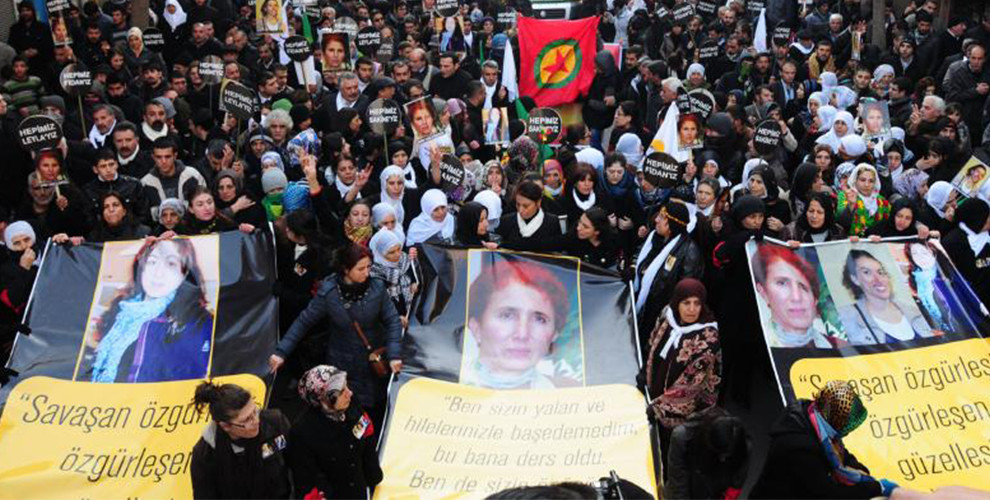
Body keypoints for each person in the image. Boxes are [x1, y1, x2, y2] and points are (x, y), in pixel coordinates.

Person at [269, 244, 402, 423]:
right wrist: (281, 351)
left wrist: (394, 354)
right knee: (351, 408)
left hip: (377, 359)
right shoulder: (329, 293)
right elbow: (304, 321)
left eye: (369, 267)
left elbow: (392, 320)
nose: (367, 272)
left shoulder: (377, 287)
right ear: (346, 269)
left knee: (380, 404)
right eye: (361, 268)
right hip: (345, 362)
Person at [89, 237, 215, 383]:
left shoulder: (196, 320)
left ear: (185, 274)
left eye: (171, 264)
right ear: (141, 267)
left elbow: (192, 376)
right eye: (152, 262)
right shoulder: (121, 310)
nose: (158, 273)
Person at [752, 380, 899, 498]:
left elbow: (841, 453)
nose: (847, 432)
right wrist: (877, 488)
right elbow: (830, 494)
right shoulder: (800, 448)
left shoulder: (817, 417)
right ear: (836, 420)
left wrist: (859, 469)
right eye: (846, 425)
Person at [461, 259, 580, 389]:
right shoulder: (446, 386)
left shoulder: (572, 393)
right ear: (476, 328)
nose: (522, 334)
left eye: (539, 319)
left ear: (554, 334)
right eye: (507, 316)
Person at [644, 278, 721, 456]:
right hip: (656, 390)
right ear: (677, 302)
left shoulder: (708, 338)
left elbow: (691, 385)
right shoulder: (668, 316)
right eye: (686, 303)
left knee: (669, 448)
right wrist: (644, 373)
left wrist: (659, 407)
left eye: (697, 303)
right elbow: (653, 341)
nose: (692, 309)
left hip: (679, 412)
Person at [289, 365, 383, 499]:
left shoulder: (351, 403)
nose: (350, 393)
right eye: (342, 391)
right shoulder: (302, 432)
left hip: (360, 488)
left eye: (346, 386)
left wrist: (373, 475)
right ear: (325, 399)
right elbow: (305, 480)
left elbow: (367, 434)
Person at [190, 381, 292, 499]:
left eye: (255, 411)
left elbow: (298, 464)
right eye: (246, 420)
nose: (256, 421)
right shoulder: (205, 456)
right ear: (225, 426)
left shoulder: (275, 423)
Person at [634, 202, 703, 337]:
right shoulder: (654, 238)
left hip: (658, 314)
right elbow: (638, 256)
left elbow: (684, 290)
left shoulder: (689, 251)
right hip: (641, 305)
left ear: (672, 224)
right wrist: (633, 268)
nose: (656, 220)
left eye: (661, 217)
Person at [837, 249, 934, 345]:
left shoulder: (913, 310)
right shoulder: (847, 318)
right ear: (855, 279)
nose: (879, 279)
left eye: (880, 272)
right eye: (867, 272)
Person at [753, 244, 841, 348]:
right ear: (763, 292)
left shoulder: (839, 347)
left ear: (815, 300)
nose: (797, 297)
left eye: (803, 287)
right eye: (782, 283)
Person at [664, 407, 750, 500]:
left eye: (727, 455)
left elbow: (736, 483)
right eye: (720, 454)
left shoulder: (742, 447)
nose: (723, 459)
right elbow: (678, 484)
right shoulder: (683, 438)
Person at [495, 181, 563, 253]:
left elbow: (556, 251)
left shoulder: (551, 222)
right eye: (518, 204)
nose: (521, 210)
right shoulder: (506, 221)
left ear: (538, 203)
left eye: (526, 206)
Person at [369, 229, 417, 323]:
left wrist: (414, 282)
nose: (397, 254)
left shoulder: (404, 259)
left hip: (409, 309)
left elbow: (413, 274)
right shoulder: (375, 273)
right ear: (380, 253)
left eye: (399, 249)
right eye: (391, 252)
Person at [837, 164, 890, 237]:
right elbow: (841, 221)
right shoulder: (846, 195)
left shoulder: (882, 201)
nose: (866, 184)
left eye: (871, 181)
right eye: (862, 180)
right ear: (855, 180)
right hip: (851, 240)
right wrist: (851, 205)